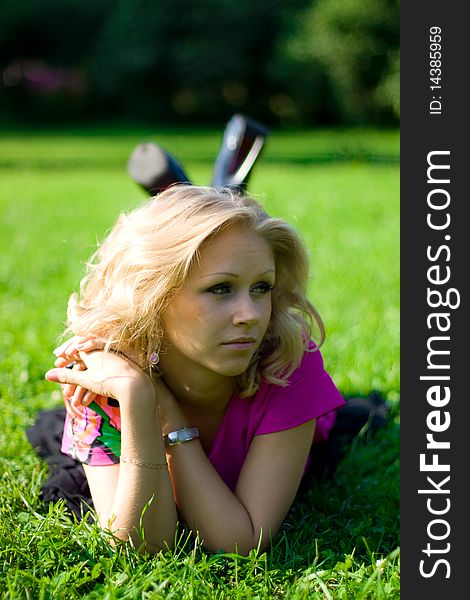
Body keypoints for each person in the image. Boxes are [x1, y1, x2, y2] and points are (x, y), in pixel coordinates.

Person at [42, 184, 346, 555]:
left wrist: (167, 415)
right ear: (152, 295)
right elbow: (140, 545)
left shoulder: (287, 361)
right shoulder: (109, 374)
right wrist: (137, 397)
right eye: (220, 289)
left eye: (261, 287)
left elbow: (240, 542)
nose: (250, 315)